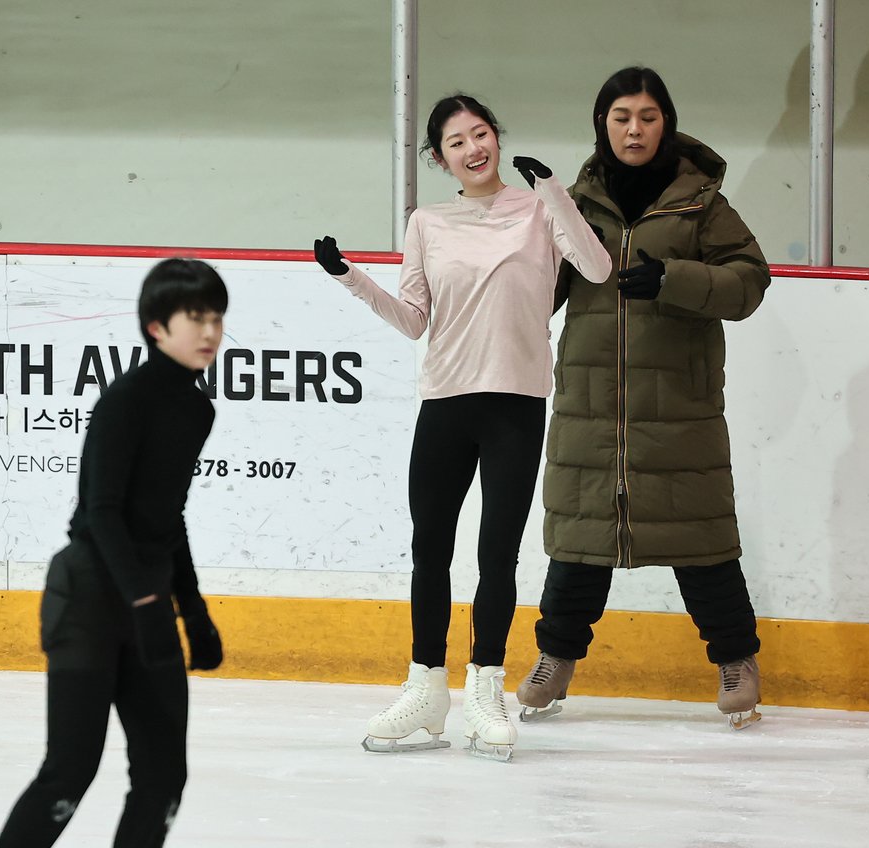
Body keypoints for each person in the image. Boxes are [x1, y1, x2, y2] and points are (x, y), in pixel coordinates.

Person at [313, 94, 611, 761]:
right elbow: (414, 319)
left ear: (496, 137)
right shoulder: (428, 222)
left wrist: (554, 192)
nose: (473, 149)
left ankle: (484, 689)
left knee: (496, 556)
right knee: (430, 551)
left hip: (515, 403)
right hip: (446, 401)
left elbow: (596, 268)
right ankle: (425, 688)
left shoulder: (540, 210)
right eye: (456, 142)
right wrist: (349, 277)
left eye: (480, 134)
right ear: (438, 157)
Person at [516, 67, 769, 730]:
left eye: (648, 117)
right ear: (602, 124)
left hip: (678, 406)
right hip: (590, 405)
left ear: (666, 123)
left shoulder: (699, 204)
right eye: (622, 117)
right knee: (578, 544)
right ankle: (554, 659)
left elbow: (749, 281)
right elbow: (538, 294)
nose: (635, 130)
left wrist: (673, 279)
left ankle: (737, 661)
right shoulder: (574, 207)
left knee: (702, 542)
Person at [0, 258, 228, 847]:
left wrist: (193, 611)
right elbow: (101, 511)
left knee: (163, 776)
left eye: (217, 319)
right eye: (196, 318)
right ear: (157, 327)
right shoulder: (126, 400)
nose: (210, 332)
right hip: (89, 599)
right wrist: (147, 602)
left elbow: (167, 517)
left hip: (146, 597)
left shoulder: (197, 408)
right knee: (70, 771)